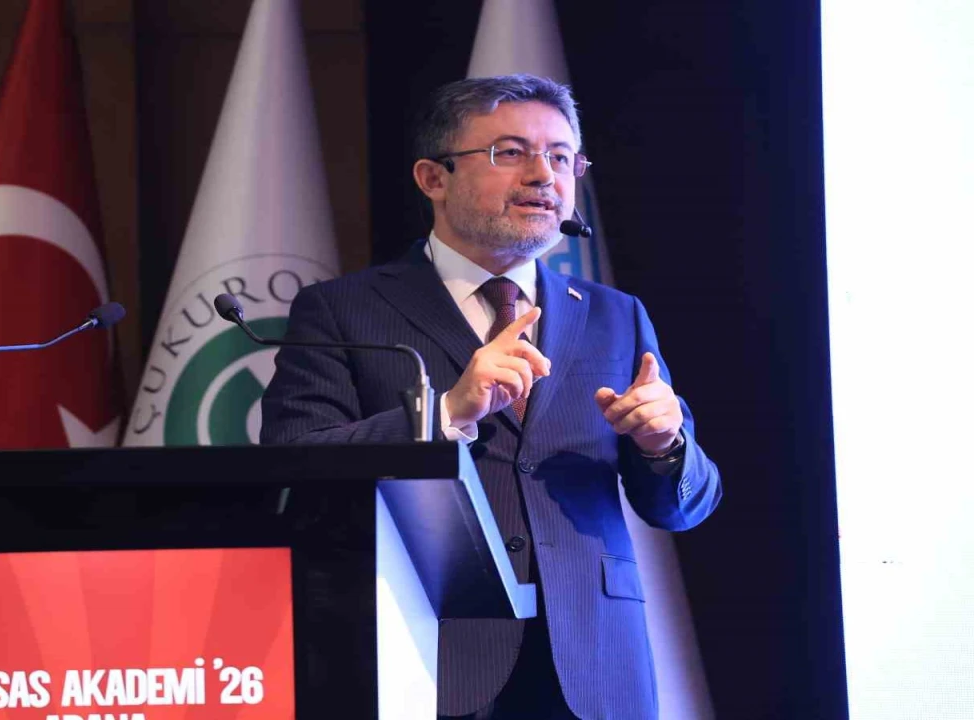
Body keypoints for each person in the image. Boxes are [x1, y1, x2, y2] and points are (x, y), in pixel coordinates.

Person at [260, 74, 721, 719]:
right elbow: (294, 466)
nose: (543, 175)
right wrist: (445, 414)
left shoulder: (615, 315)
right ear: (433, 178)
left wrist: (663, 445)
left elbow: (684, 507)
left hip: (592, 663)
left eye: (561, 156)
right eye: (511, 153)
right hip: (422, 647)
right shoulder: (343, 310)